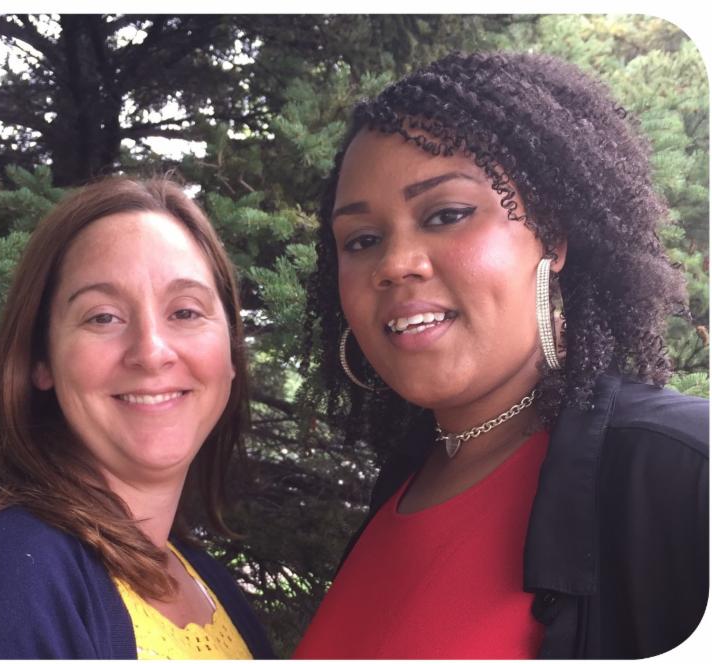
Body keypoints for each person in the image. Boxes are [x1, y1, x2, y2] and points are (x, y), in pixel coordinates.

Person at [294, 52, 708, 659]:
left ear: (552, 238)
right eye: (362, 240)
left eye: (447, 214)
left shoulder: (681, 470)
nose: (394, 263)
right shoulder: (401, 486)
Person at [0, 176, 273, 659]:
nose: (151, 352)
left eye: (186, 312)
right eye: (103, 316)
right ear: (42, 359)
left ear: (230, 351)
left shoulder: (206, 582)